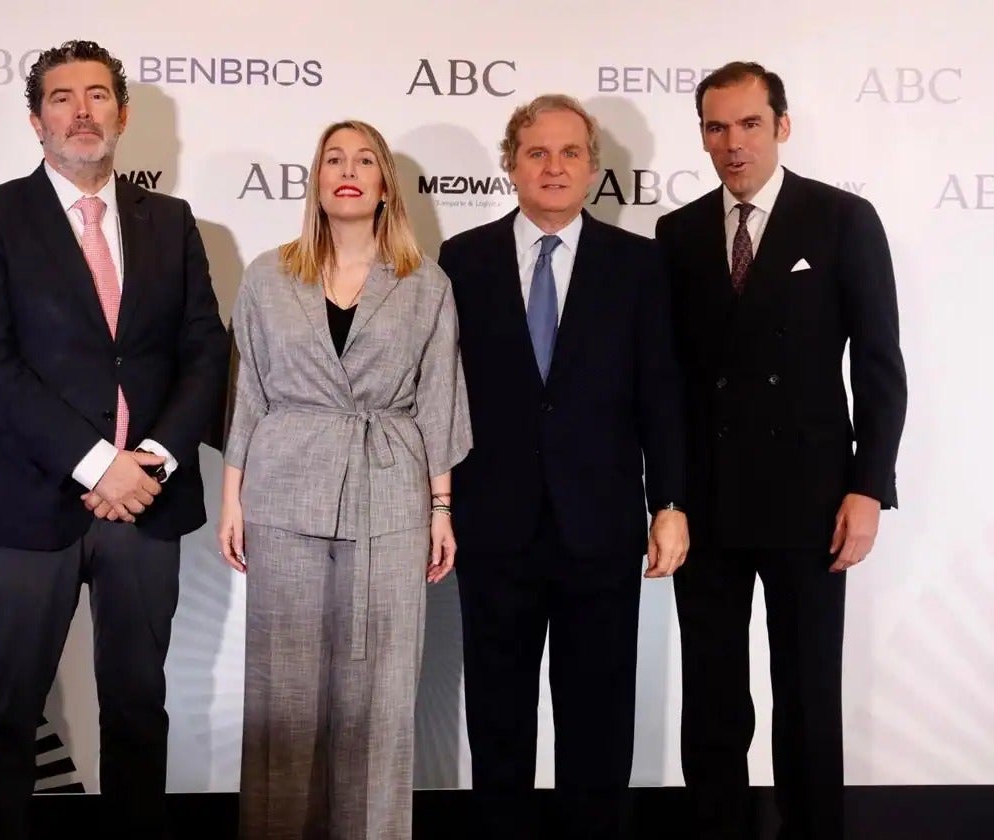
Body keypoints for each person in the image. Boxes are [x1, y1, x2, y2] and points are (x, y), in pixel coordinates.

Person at [0, 39, 228, 840]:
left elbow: (204, 351)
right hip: (27, 499)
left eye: (98, 95)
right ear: (36, 120)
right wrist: (99, 462)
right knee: (8, 708)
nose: (81, 111)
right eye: (62, 98)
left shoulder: (170, 223)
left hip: (149, 499)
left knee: (139, 705)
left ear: (123, 115)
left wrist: (153, 460)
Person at [654, 61, 908, 840]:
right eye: (717, 127)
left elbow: (879, 363)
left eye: (749, 124)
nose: (733, 144)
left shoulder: (841, 219)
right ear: (701, 134)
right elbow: (666, 381)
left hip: (811, 500)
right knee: (713, 700)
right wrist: (667, 498)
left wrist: (869, 487)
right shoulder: (678, 232)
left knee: (806, 695)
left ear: (782, 126)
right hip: (707, 502)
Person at [439, 94, 688, 839]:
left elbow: (661, 391)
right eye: (536, 152)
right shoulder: (462, 260)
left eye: (570, 152)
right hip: (492, 527)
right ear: (509, 164)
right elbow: (439, 395)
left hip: (601, 527)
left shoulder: (639, 265)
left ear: (593, 168)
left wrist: (670, 501)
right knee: (498, 719)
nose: (553, 167)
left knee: (599, 721)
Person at [219, 119, 472, 840]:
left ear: (386, 182)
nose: (348, 170)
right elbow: (249, 395)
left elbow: (438, 398)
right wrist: (232, 499)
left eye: (365, 159)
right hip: (282, 488)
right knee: (283, 687)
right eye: (334, 158)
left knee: (382, 691)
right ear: (317, 179)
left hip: (390, 491)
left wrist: (441, 507)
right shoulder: (270, 274)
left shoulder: (426, 283)